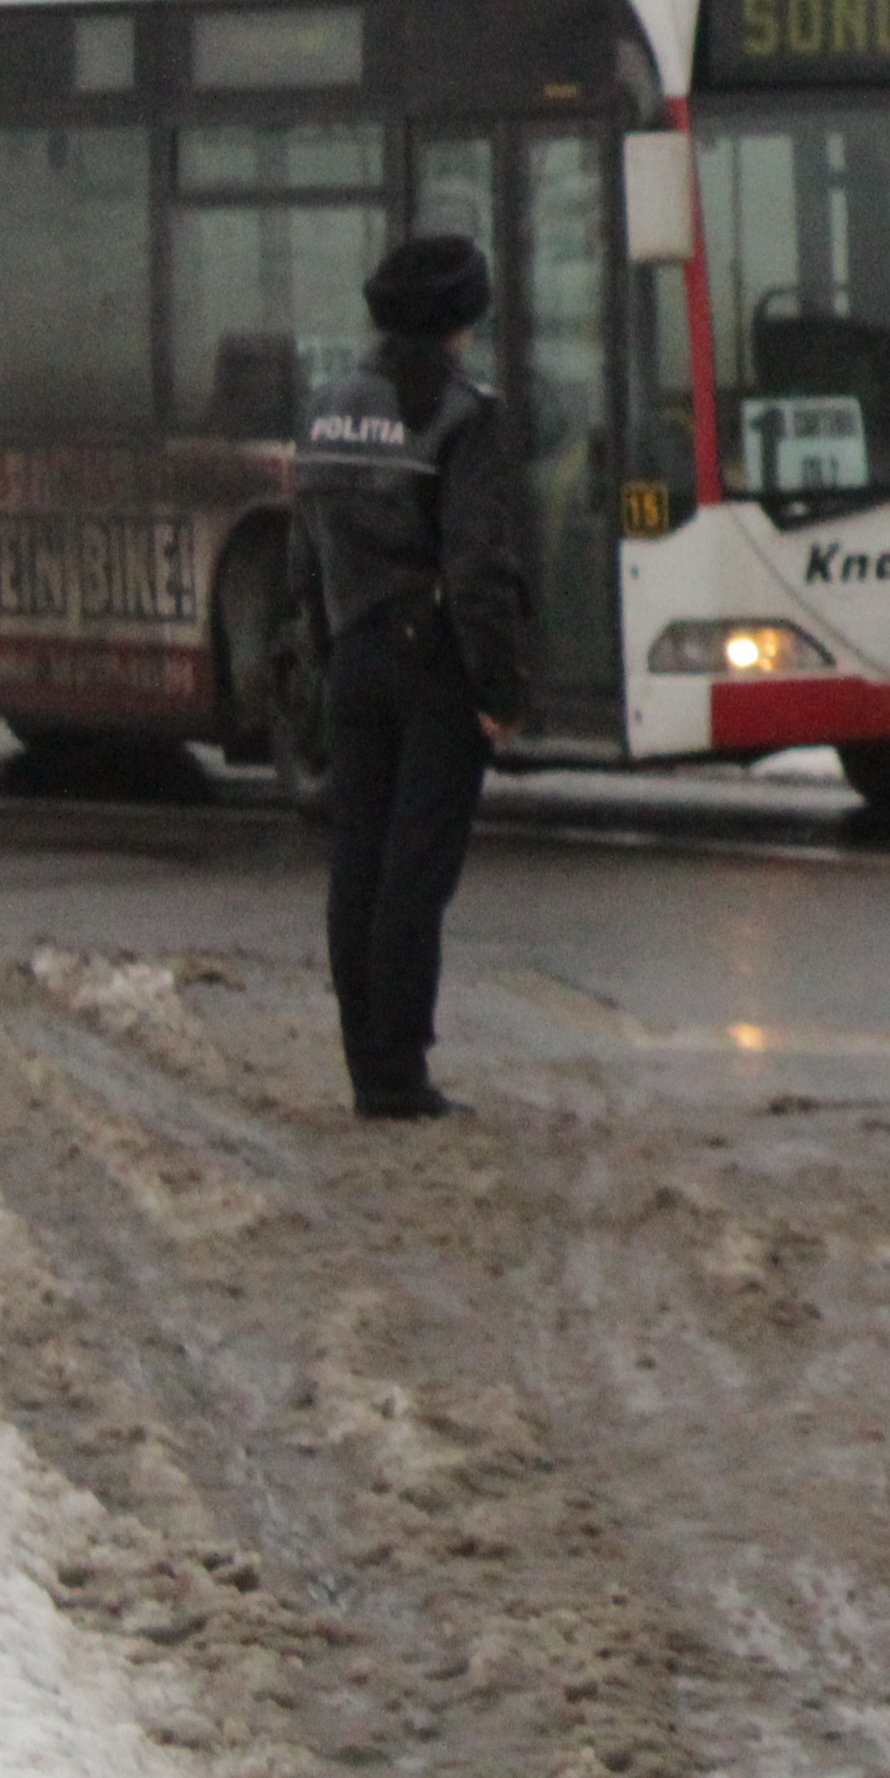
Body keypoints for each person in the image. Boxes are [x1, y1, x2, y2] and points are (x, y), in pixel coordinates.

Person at [293, 233, 541, 1120]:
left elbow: (305, 551)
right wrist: (499, 691)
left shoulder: (326, 407)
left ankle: (369, 1066)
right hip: (432, 664)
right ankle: (401, 1075)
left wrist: (326, 650)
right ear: (459, 321)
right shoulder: (464, 416)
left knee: (357, 862)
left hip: (354, 653)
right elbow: (477, 568)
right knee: (415, 873)